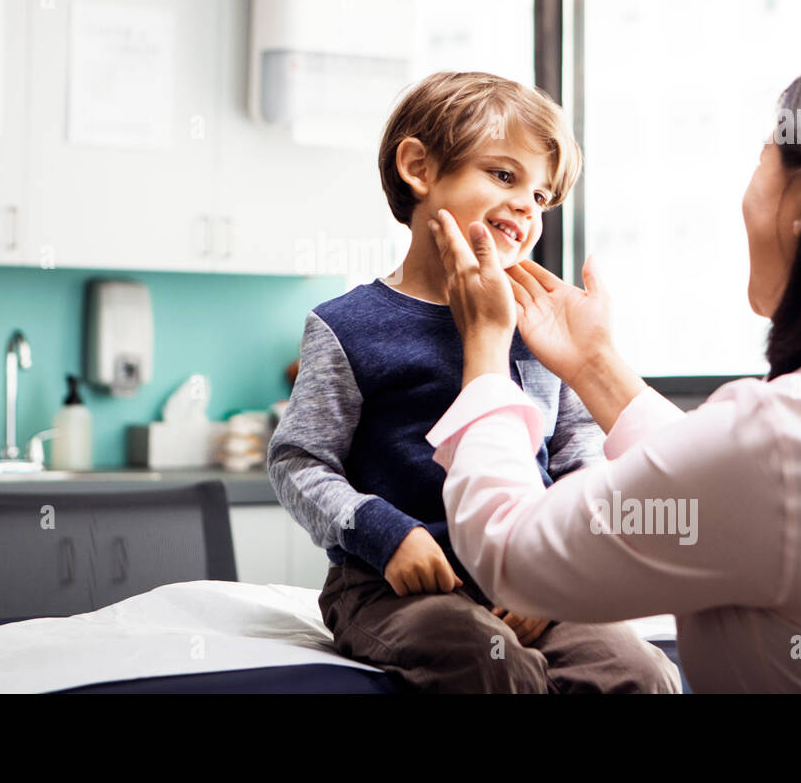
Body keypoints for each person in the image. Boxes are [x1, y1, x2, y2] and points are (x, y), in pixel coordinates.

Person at [427, 40, 801, 692]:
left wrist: (485, 353)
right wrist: (596, 366)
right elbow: (726, 485)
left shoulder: (793, 438)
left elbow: (511, 552)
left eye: (762, 163)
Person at [268, 71, 681, 693]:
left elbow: (580, 456)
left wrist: (561, 572)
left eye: (542, 197)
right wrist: (385, 533)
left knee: (639, 671)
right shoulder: (346, 326)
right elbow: (299, 462)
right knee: (486, 659)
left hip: (527, 574)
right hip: (389, 584)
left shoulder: (539, 329)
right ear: (418, 168)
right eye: (505, 176)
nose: (526, 205)